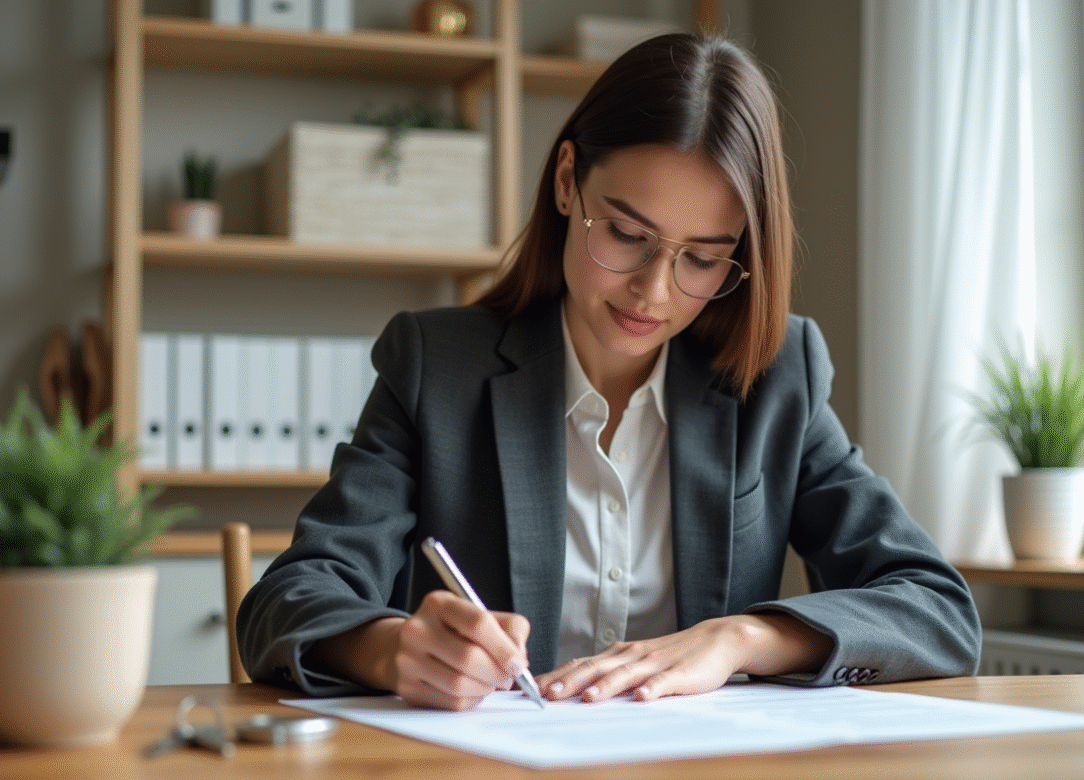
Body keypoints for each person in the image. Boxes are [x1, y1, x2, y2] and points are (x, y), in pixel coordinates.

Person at [236, 32, 981, 711]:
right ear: (567, 181)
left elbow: (937, 609)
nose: (654, 292)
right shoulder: (437, 366)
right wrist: (395, 649)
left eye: (702, 257)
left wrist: (738, 640)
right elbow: (288, 600)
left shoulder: (777, 375)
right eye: (626, 234)